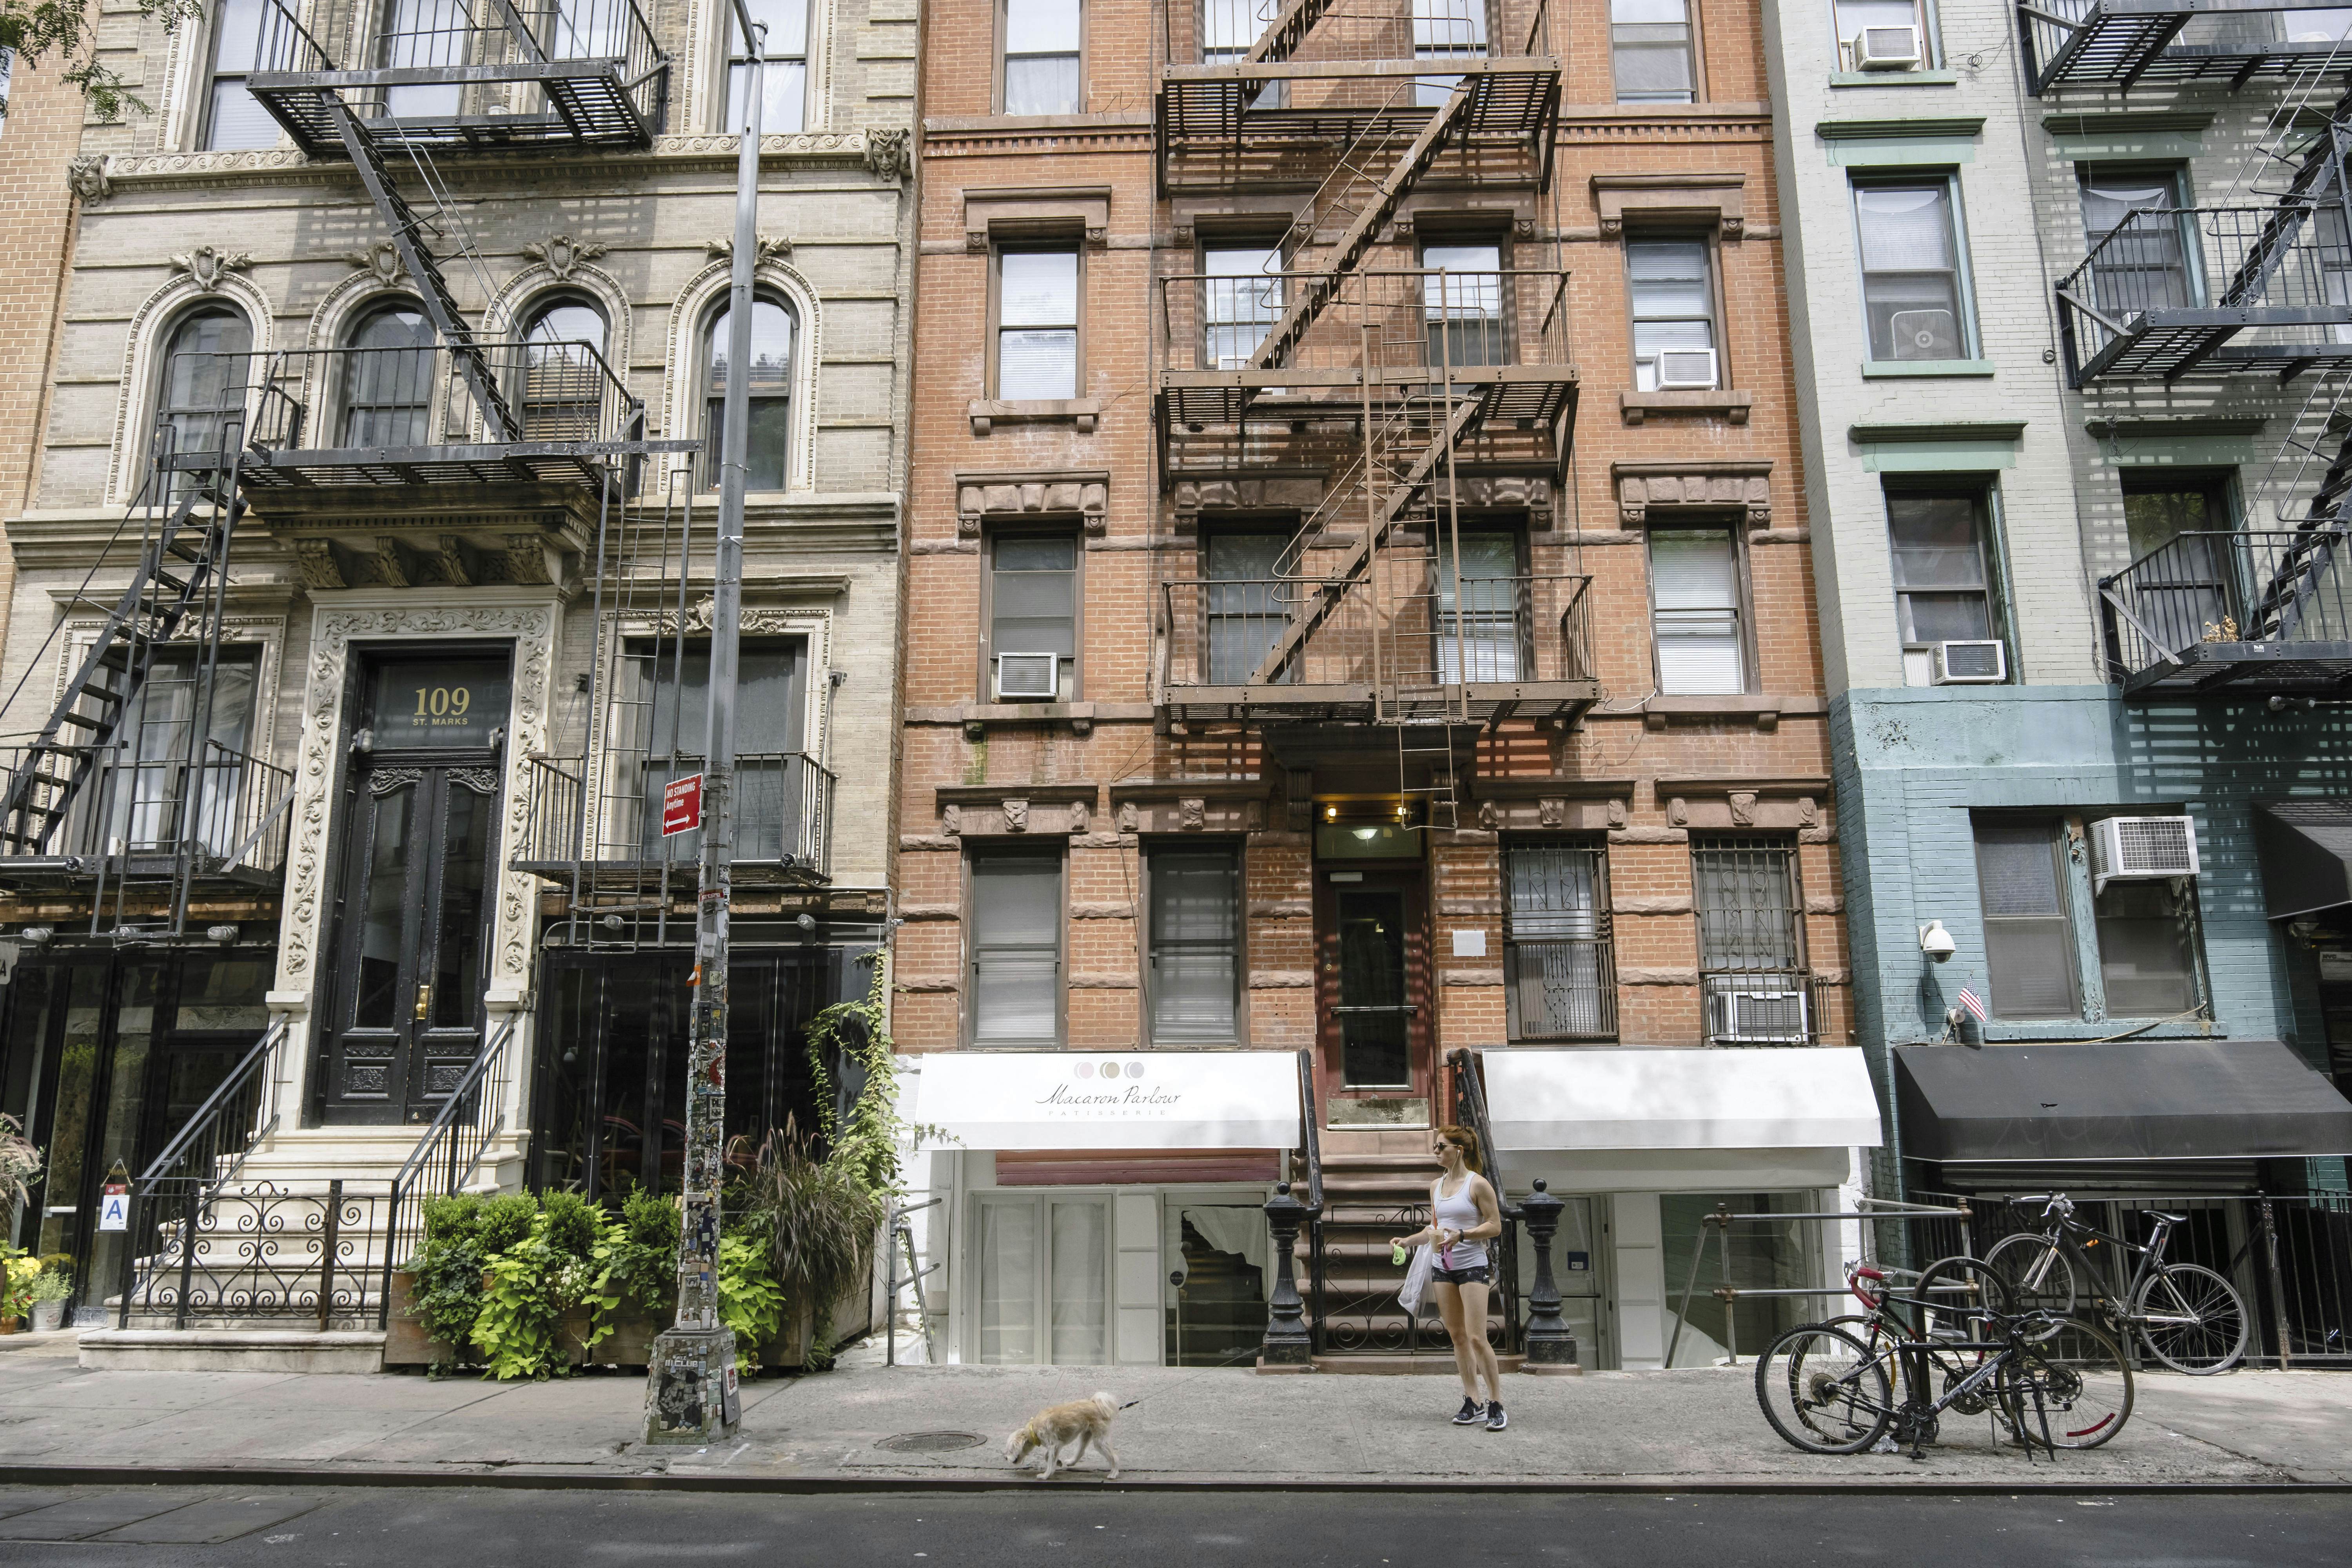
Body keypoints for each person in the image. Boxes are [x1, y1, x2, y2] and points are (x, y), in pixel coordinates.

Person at [1391, 1124, 1506, 1430]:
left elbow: (1495, 1226)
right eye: (1435, 1147)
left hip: (1472, 1266)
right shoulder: (1436, 1186)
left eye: (1441, 1147)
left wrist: (1464, 1235)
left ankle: (1496, 1402)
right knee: (1457, 1336)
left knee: (1477, 1337)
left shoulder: (1477, 1185)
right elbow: (1435, 1229)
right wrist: (1407, 1241)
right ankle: (1473, 1400)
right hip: (1442, 1268)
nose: (1436, 1151)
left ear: (1460, 1150)